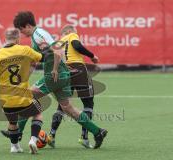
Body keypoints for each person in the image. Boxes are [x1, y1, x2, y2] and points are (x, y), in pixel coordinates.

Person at [13, 11, 108, 149]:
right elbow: (35, 62)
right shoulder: (37, 36)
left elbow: (58, 50)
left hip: (54, 76)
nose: (21, 33)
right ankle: (97, 131)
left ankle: (17, 134)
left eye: (21, 30)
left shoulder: (39, 34)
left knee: (27, 97)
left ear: (27, 25)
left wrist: (55, 69)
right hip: (62, 76)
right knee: (68, 108)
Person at [0, 28, 43, 154]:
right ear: (18, 38)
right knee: (37, 114)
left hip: (6, 99)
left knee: (12, 122)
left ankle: (14, 146)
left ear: (5, 39)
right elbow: (41, 57)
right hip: (23, 97)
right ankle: (33, 139)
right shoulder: (25, 50)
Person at [48, 24, 99, 148]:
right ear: (70, 31)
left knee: (63, 105)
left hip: (64, 71)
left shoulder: (59, 42)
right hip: (78, 69)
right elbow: (77, 45)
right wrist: (92, 56)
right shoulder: (71, 35)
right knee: (88, 103)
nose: (77, 34)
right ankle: (84, 137)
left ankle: (51, 135)